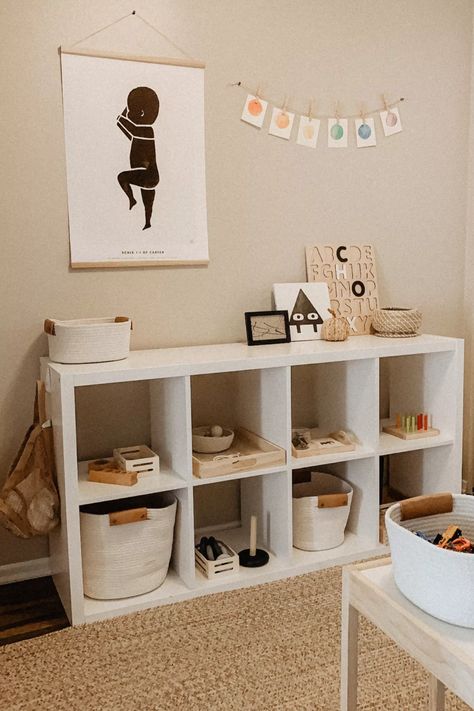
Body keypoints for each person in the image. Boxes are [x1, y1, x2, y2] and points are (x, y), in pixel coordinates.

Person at [117, 86, 160, 230]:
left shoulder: (146, 130)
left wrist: (124, 112)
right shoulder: (141, 133)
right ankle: (148, 223)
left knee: (122, 177)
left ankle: (132, 199)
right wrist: (127, 110)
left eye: (132, 111)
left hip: (147, 175)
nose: (129, 113)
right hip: (148, 176)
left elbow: (123, 122)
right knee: (148, 199)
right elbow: (122, 125)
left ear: (141, 113)